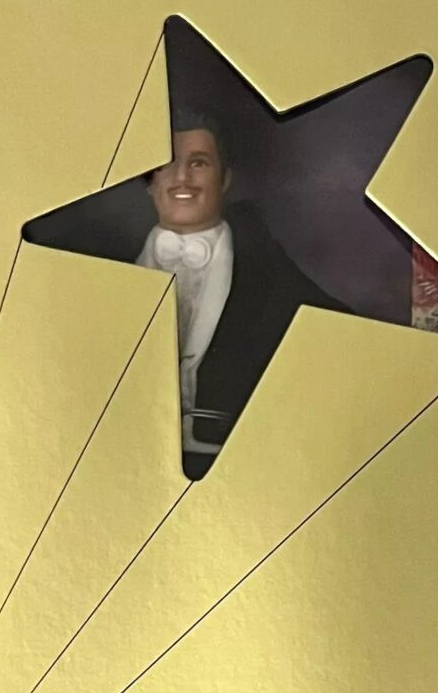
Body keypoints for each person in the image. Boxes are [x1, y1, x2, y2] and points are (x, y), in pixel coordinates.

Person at [136, 106, 351, 480]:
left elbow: (338, 341)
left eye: (199, 163)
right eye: (167, 164)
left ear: (225, 180)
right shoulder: (102, 260)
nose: (181, 177)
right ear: (150, 182)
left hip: (237, 471)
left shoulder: (269, 268)